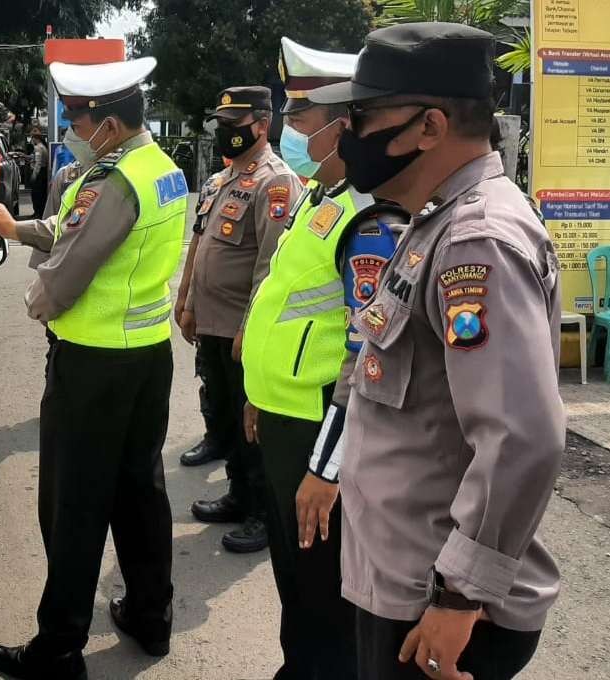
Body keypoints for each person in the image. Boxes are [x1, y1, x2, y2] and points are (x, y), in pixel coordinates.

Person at [306, 22, 564, 680]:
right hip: (403, 578)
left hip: (436, 603)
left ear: (427, 127)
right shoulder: (435, 220)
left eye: (361, 116)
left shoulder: (476, 240)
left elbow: (522, 437)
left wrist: (460, 596)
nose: (345, 136)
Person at [0, 56, 187, 680]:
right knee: (139, 491)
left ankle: (59, 649)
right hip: (147, 358)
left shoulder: (114, 182)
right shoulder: (160, 171)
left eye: (77, 116)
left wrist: (31, 301)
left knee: (73, 505)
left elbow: (67, 273)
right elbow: (74, 229)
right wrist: (17, 228)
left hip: (94, 366)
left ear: (111, 123)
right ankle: (152, 614)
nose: (70, 125)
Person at [238, 37, 408, 679]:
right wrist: (259, 392)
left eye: (302, 119)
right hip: (284, 415)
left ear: (343, 126)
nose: (290, 131)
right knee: (295, 585)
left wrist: (327, 470)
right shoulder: (318, 196)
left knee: (323, 598)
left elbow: (365, 354)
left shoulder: (370, 218)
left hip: (320, 432)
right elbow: (286, 306)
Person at [179, 86, 301, 554]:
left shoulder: (276, 182)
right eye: (223, 124)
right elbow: (200, 243)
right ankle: (238, 493)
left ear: (262, 126)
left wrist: (250, 328)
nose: (226, 132)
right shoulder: (219, 179)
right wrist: (186, 299)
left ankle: (262, 514)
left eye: (236, 124)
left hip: (241, 328)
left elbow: (269, 267)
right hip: (210, 322)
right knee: (227, 419)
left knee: (254, 429)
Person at [30, 127, 51, 218]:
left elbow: (38, 163)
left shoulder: (38, 148)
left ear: (35, 138)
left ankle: (38, 212)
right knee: (42, 194)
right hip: (44, 174)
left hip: (39, 174)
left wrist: (34, 176)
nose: (32, 140)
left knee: (36, 194)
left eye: (32, 138)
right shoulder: (43, 146)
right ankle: (40, 212)